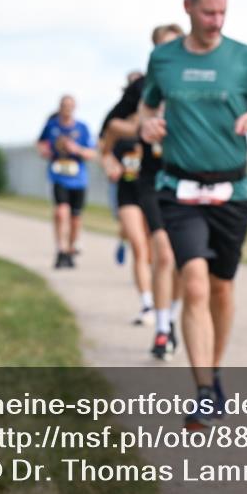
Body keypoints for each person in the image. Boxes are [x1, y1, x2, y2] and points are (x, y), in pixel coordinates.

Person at [139, 0, 247, 427]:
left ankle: (215, 367)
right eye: (208, 12)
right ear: (187, 7)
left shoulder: (245, 59)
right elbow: (147, 106)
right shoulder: (163, 59)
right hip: (178, 189)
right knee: (193, 282)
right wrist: (148, 124)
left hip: (233, 191)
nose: (216, 21)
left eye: (223, 12)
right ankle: (204, 389)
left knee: (221, 288)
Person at [102, 23, 186, 360]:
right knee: (158, 251)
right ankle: (161, 326)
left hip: (187, 177)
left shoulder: (198, 80)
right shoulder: (142, 86)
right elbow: (111, 126)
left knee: (182, 260)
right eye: (163, 47)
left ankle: (173, 316)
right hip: (148, 178)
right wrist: (110, 154)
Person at [101, 74, 155, 324]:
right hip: (128, 190)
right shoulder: (119, 127)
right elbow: (104, 150)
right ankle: (146, 304)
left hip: (153, 192)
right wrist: (110, 162)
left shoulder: (159, 125)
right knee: (139, 245)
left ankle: (159, 298)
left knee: (154, 251)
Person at [37, 96, 97, 269]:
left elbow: (92, 154)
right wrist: (44, 151)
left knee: (75, 218)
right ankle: (60, 249)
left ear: (75, 108)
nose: (67, 109)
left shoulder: (82, 128)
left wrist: (76, 149)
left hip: (78, 179)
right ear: (60, 107)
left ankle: (70, 250)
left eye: (70, 106)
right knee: (60, 212)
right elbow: (40, 143)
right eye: (64, 106)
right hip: (58, 176)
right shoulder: (52, 126)